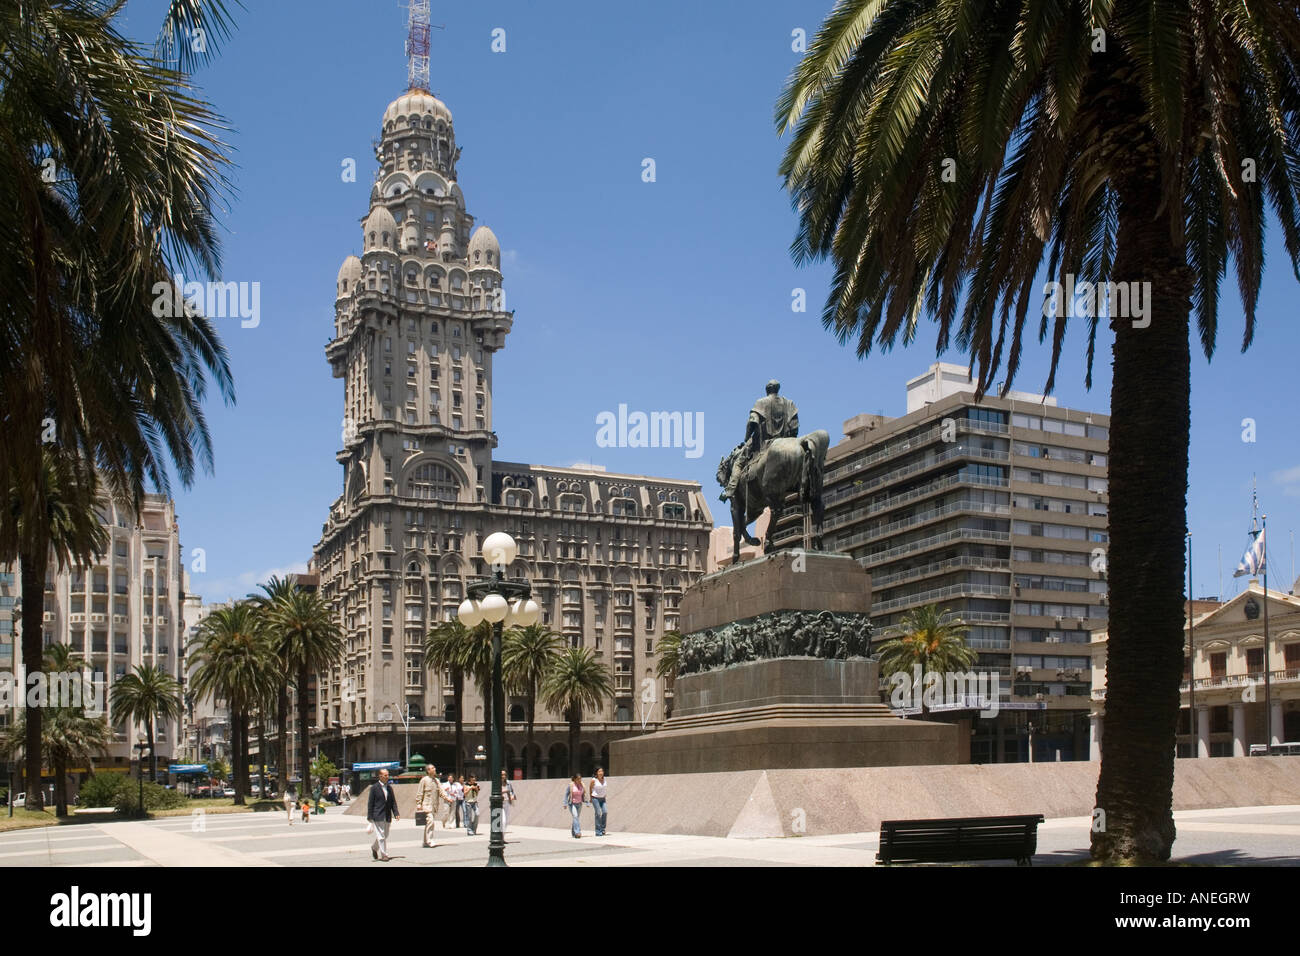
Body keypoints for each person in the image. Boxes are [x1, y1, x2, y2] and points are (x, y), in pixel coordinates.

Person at [366, 768, 400, 861]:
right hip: (378, 814)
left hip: (388, 815)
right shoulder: (374, 788)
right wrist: (370, 817)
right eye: (385, 775)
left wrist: (396, 812)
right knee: (381, 835)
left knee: (385, 835)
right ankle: (384, 854)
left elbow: (393, 801)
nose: (387, 777)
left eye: (388, 775)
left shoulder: (389, 787)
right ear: (380, 776)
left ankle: (374, 847)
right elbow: (370, 803)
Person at [415, 764, 444, 848]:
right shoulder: (424, 780)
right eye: (432, 768)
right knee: (431, 821)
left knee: (428, 823)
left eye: (434, 767)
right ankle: (430, 840)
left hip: (434, 805)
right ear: (428, 771)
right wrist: (419, 804)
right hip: (426, 805)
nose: (434, 769)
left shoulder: (436, 780)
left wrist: (447, 798)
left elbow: (441, 791)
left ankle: (425, 842)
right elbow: (420, 793)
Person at [563, 773, 586, 838]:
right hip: (572, 804)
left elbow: (584, 794)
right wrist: (565, 803)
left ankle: (574, 832)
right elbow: (566, 794)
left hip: (579, 804)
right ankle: (577, 832)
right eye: (578, 779)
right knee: (575, 817)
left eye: (580, 779)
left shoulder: (582, 785)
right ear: (575, 779)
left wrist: (587, 802)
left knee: (576, 818)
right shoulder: (571, 785)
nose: (580, 780)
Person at [588, 767, 608, 836]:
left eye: (602, 771)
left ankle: (602, 829)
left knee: (605, 812)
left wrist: (605, 794)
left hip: (603, 799)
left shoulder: (605, 779)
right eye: (599, 771)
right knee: (598, 813)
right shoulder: (593, 780)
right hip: (595, 798)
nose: (601, 773)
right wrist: (590, 797)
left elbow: (604, 788)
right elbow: (590, 788)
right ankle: (598, 831)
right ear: (596, 773)